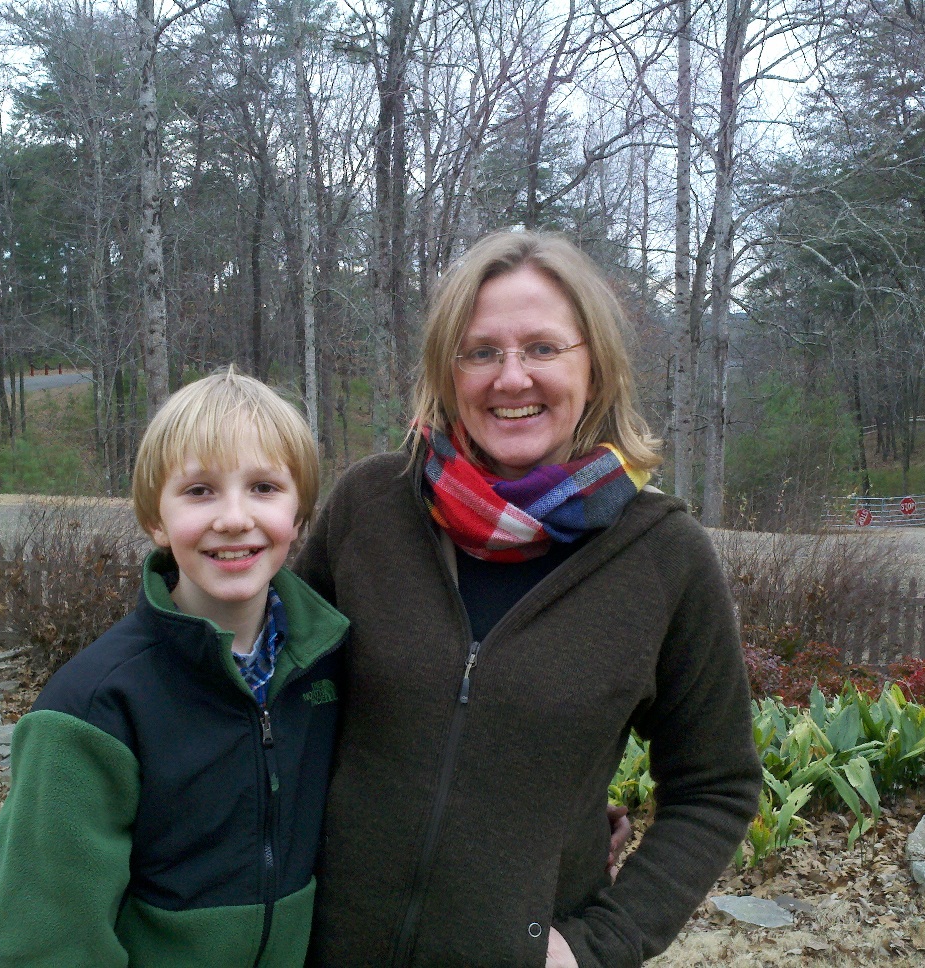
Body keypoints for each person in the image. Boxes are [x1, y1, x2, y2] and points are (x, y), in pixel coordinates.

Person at [296, 230, 762, 968]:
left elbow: (717, 785)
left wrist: (598, 946)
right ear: (448, 372)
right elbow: (271, 694)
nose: (511, 379)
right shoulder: (370, 508)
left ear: (594, 366)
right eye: (481, 352)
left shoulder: (664, 556)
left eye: (543, 348)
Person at [0, 370, 349, 967]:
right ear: (156, 520)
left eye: (263, 487)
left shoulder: (326, 669)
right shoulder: (93, 710)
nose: (234, 518)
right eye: (200, 490)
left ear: (300, 515)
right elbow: (46, 940)